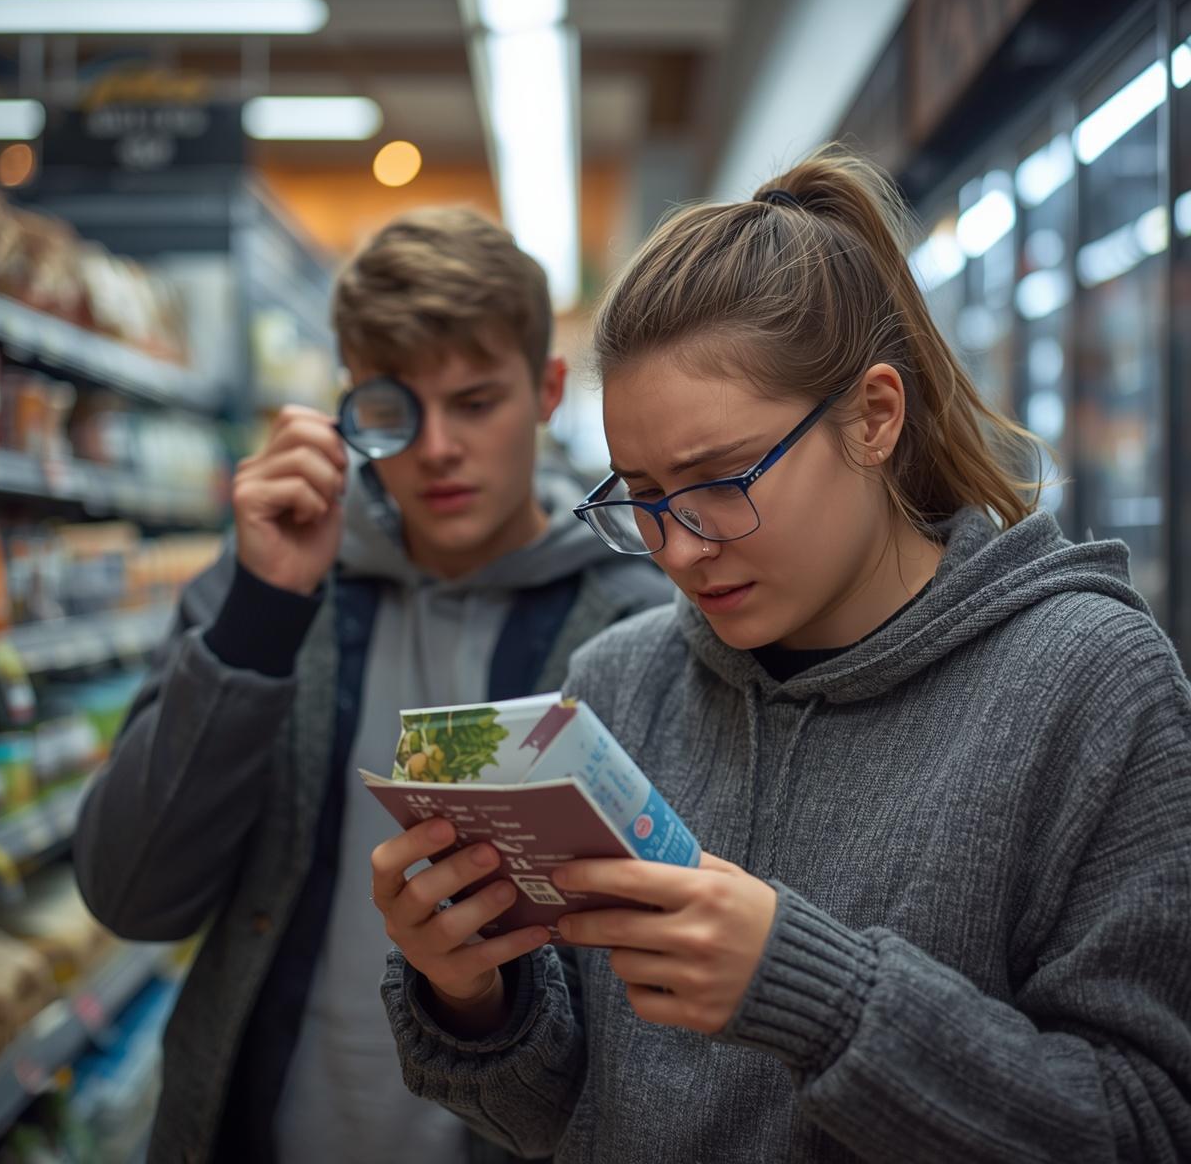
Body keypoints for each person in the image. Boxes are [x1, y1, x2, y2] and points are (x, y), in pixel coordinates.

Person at [372, 151, 1191, 1163]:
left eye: (719, 482)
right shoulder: (619, 683)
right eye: (640, 497)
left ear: (874, 417)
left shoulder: (1094, 685)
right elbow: (559, 1118)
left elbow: (1146, 1124)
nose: (678, 548)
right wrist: (470, 994)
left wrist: (822, 997)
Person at [72, 207, 671, 1163]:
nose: (435, 448)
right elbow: (132, 896)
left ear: (550, 390)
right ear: (350, 400)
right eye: (397, 409)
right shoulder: (266, 586)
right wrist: (262, 613)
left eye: (477, 402)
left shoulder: (638, 623)